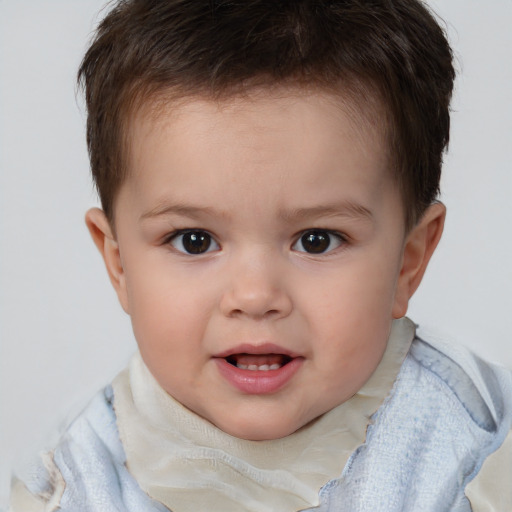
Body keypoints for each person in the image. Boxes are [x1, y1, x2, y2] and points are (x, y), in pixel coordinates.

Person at [8, 0, 512, 511]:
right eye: (194, 240)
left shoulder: (479, 458)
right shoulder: (71, 485)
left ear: (409, 260)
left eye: (317, 240)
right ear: (119, 265)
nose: (254, 296)